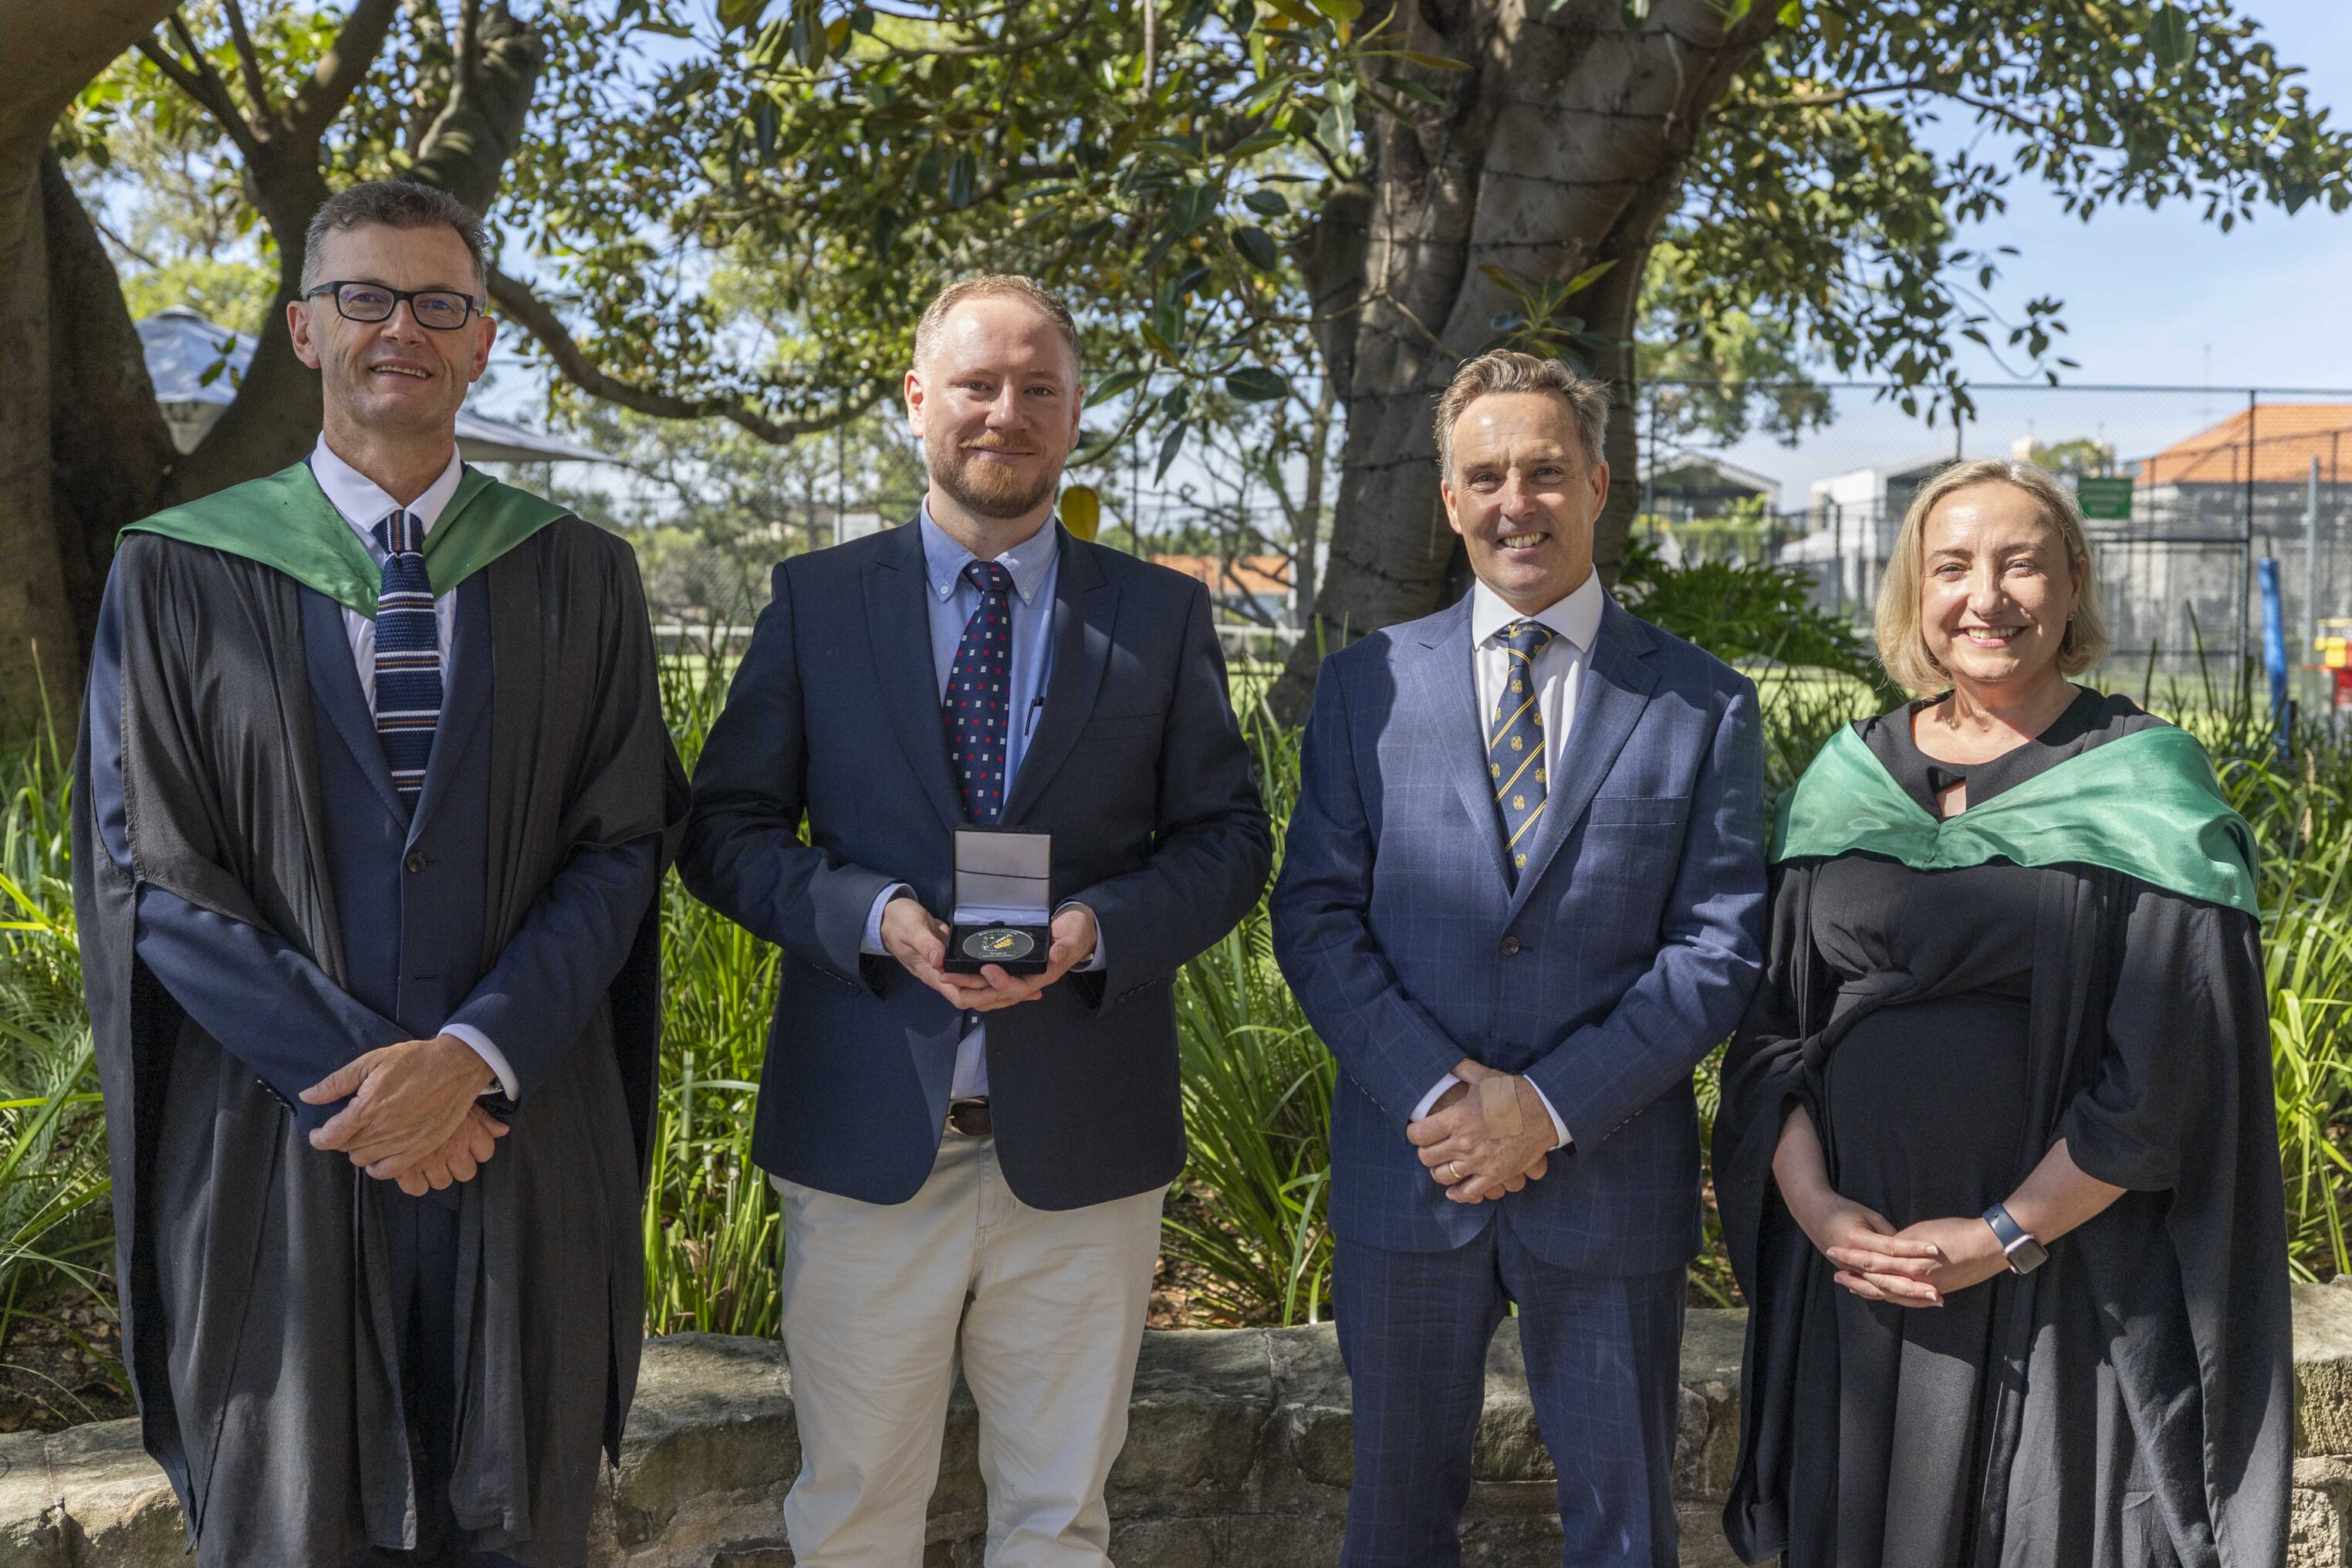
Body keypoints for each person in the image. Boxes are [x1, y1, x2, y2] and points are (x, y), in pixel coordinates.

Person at [73, 179, 683, 1567]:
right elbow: (151, 869)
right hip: (280, 1144)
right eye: (364, 297)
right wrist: (381, 1087)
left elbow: (622, 840)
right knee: (293, 1523)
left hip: (519, 1143)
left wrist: (472, 1054)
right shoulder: (174, 576)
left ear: (479, 342)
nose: (399, 327)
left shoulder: (582, 574)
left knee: (519, 1521)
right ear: (303, 330)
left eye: (438, 304)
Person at [679, 275, 1270, 1567]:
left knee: (1060, 1524)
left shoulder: (1158, 614)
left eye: (1038, 390)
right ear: (917, 401)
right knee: (851, 1518)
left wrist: (1097, 929)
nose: (1006, 413)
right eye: (978, 385)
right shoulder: (815, 602)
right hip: (866, 1136)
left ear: (1073, 416)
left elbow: (1231, 844)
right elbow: (720, 834)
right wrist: (866, 910)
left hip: (1083, 1146)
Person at [1712, 457, 2291, 1567]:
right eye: (1953, 567)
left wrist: (2002, 1237)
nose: (1987, 596)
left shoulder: (2146, 784)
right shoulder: (1849, 776)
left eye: (2022, 564)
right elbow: (1772, 1038)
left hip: (2067, 1289)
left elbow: (2166, 1074)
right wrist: (1823, 1211)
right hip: (1867, 1288)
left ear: (2072, 586)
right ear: (1915, 596)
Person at [1269, 349, 1768, 1568]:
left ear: (1601, 484)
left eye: (1546, 471)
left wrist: (1544, 1109)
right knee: (1392, 1523)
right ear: (1450, 500)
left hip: (1605, 1178)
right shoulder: (1363, 688)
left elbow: (1719, 947)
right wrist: (1447, 1099)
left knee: (1627, 1529)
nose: (1516, 501)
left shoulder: (1705, 706)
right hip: (1412, 1169)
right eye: (1486, 475)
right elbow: (1316, 917)